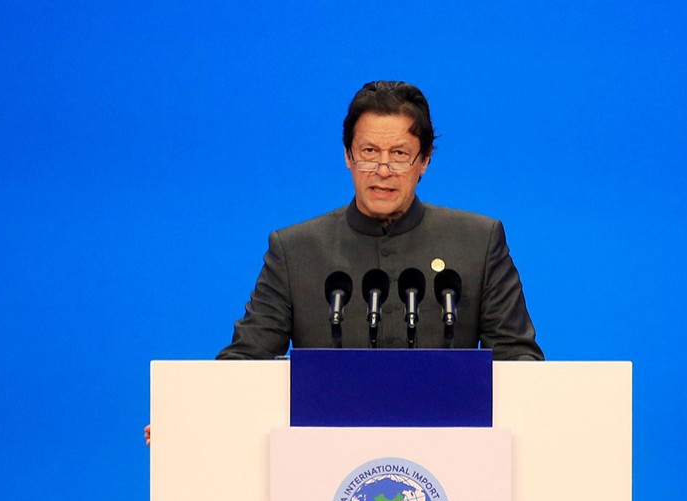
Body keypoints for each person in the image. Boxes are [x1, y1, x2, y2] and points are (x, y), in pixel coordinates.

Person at [145, 81, 542, 446]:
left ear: (425, 161)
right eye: (369, 153)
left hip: (455, 461)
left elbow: (520, 364)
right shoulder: (296, 250)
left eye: (400, 155)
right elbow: (246, 360)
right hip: (322, 469)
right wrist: (187, 416)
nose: (383, 170)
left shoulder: (477, 241)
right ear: (348, 156)